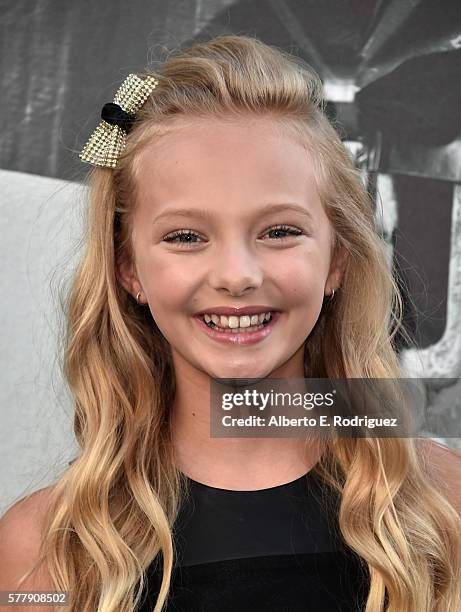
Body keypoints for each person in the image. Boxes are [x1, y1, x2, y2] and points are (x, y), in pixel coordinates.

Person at [1, 34, 461, 612]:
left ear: (336, 261)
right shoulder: (42, 548)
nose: (237, 275)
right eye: (186, 236)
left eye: (279, 231)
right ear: (129, 269)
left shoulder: (447, 506)